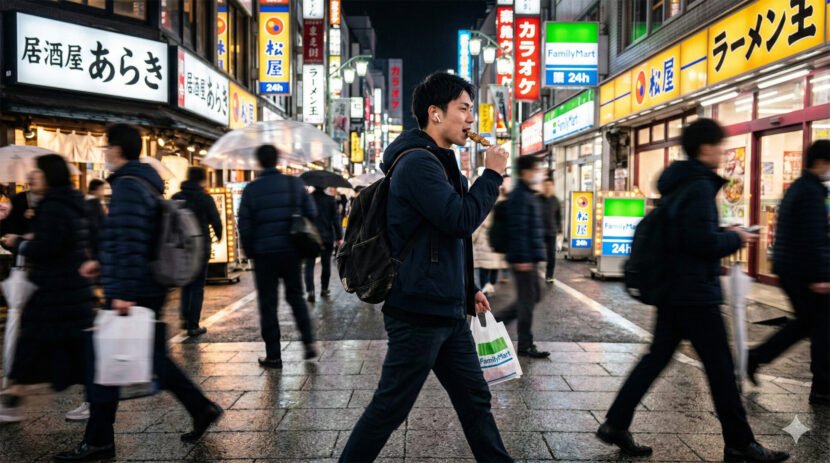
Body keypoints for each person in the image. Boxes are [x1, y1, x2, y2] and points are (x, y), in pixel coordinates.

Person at [339, 72, 512, 463]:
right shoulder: (418, 164)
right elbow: (459, 220)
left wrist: (466, 288)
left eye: (471, 109)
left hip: (446, 309)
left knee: (475, 400)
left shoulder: (439, 161)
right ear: (435, 113)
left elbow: (443, 238)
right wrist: (492, 175)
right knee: (390, 407)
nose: (471, 119)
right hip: (418, 311)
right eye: (463, 109)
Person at [597, 119, 788, 462]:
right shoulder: (698, 186)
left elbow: (687, 234)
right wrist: (736, 238)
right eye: (719, 145)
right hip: (694, 293)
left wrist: (722, 231)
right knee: (720, 367)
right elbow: (699, 242)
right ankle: (740, 443)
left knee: (657, 358)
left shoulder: (681, 183)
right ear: (705, 148)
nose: (723, 151)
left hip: (675, 289)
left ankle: (616, 422)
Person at [55, 124, 222, 462]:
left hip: (133, 289)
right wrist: (101, 263)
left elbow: (131, 242)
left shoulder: (129, 186)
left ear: (117, 149)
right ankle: (200, 408)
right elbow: (127, 238)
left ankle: (99, 440)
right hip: (144, 285)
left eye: (106, 147)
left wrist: (122, 291)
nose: (104, 153)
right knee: (151, 359)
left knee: (104, 361)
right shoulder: (142, 183)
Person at [0, 155, 95, 423]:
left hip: (56, 291)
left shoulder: (54, 206)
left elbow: (49, 247)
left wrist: (19, 242)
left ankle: (13, 397)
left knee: (42, 343)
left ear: (51, 176)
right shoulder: (69, 202)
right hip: (64, 290)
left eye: (38, 172)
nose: (32, 176)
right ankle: (13, 396)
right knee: (45, 344)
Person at [748, 140, 830, 405]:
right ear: (821, 162)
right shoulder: (810, 192)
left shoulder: (800, 188)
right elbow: (814, 238)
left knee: (807, 324)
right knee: (821, 327)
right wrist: (821, 277)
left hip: (792, 268)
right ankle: (822, 387)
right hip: (803, 272)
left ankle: (756, 358)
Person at [238, 145, 318, 368]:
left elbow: (244, 224)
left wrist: (250, 251)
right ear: (278, 160)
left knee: (268, 304)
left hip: (264, 254)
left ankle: (273, 355)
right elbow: (311, 213)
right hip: (292, 251)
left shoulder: (252, 189)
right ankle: (308, 342)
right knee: (296, 297)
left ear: (259, 162)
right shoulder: (294, 184)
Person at [495, 155, 549, 359]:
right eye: (536, 169)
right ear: (526, 171)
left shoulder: (527, 193)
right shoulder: (520, 196)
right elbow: (518, 230)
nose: (539, 173)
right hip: (523, 258)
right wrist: (522, 258)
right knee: (527, 300)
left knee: (534, 296)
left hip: (529, 257)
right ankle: (524, 344)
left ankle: (497, 322)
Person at [172, 167, 223, 337]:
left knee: (186, 282)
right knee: (197, 285)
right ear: (202, 180)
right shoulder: (205, 198)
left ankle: (185, 317)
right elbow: (216, 220)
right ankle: (193, 324)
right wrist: (219, 235)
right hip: (200, 246)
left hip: (181, 247)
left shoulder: (177, 197)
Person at [304, 186, 343, 303]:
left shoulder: (307, 199)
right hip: (327, 237)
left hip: (311, 237)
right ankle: (324, 289)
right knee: (326, 264)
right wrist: (339, 237)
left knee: (309, 265)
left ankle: (310, 290)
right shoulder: (330, 200)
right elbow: (336, 219)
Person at [0, 170, 43, 255]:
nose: (33, 178)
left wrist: (21, 239)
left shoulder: (55, 201)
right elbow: (5, 236)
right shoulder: (17, 200)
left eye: (38, 175)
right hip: (23, 257)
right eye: (31, 176)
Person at [539, 177, 562, 284]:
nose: (547, 187)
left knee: (551, 255)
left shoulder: (555, 201)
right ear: (542, 187)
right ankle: (533, 274)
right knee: (535, 253)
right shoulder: (537, 199)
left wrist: (560, 229)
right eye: (546, 185)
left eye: (549, 185)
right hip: (538, 231)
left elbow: (558, 216)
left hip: (551, 232)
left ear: (552, 187)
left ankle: (549, 275)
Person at [84, 179, 107, 257]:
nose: (103, 193)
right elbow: (96, 227)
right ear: (94, 191)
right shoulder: (94, 204)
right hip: (96, 247)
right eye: (102, 189)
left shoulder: (88, 203)